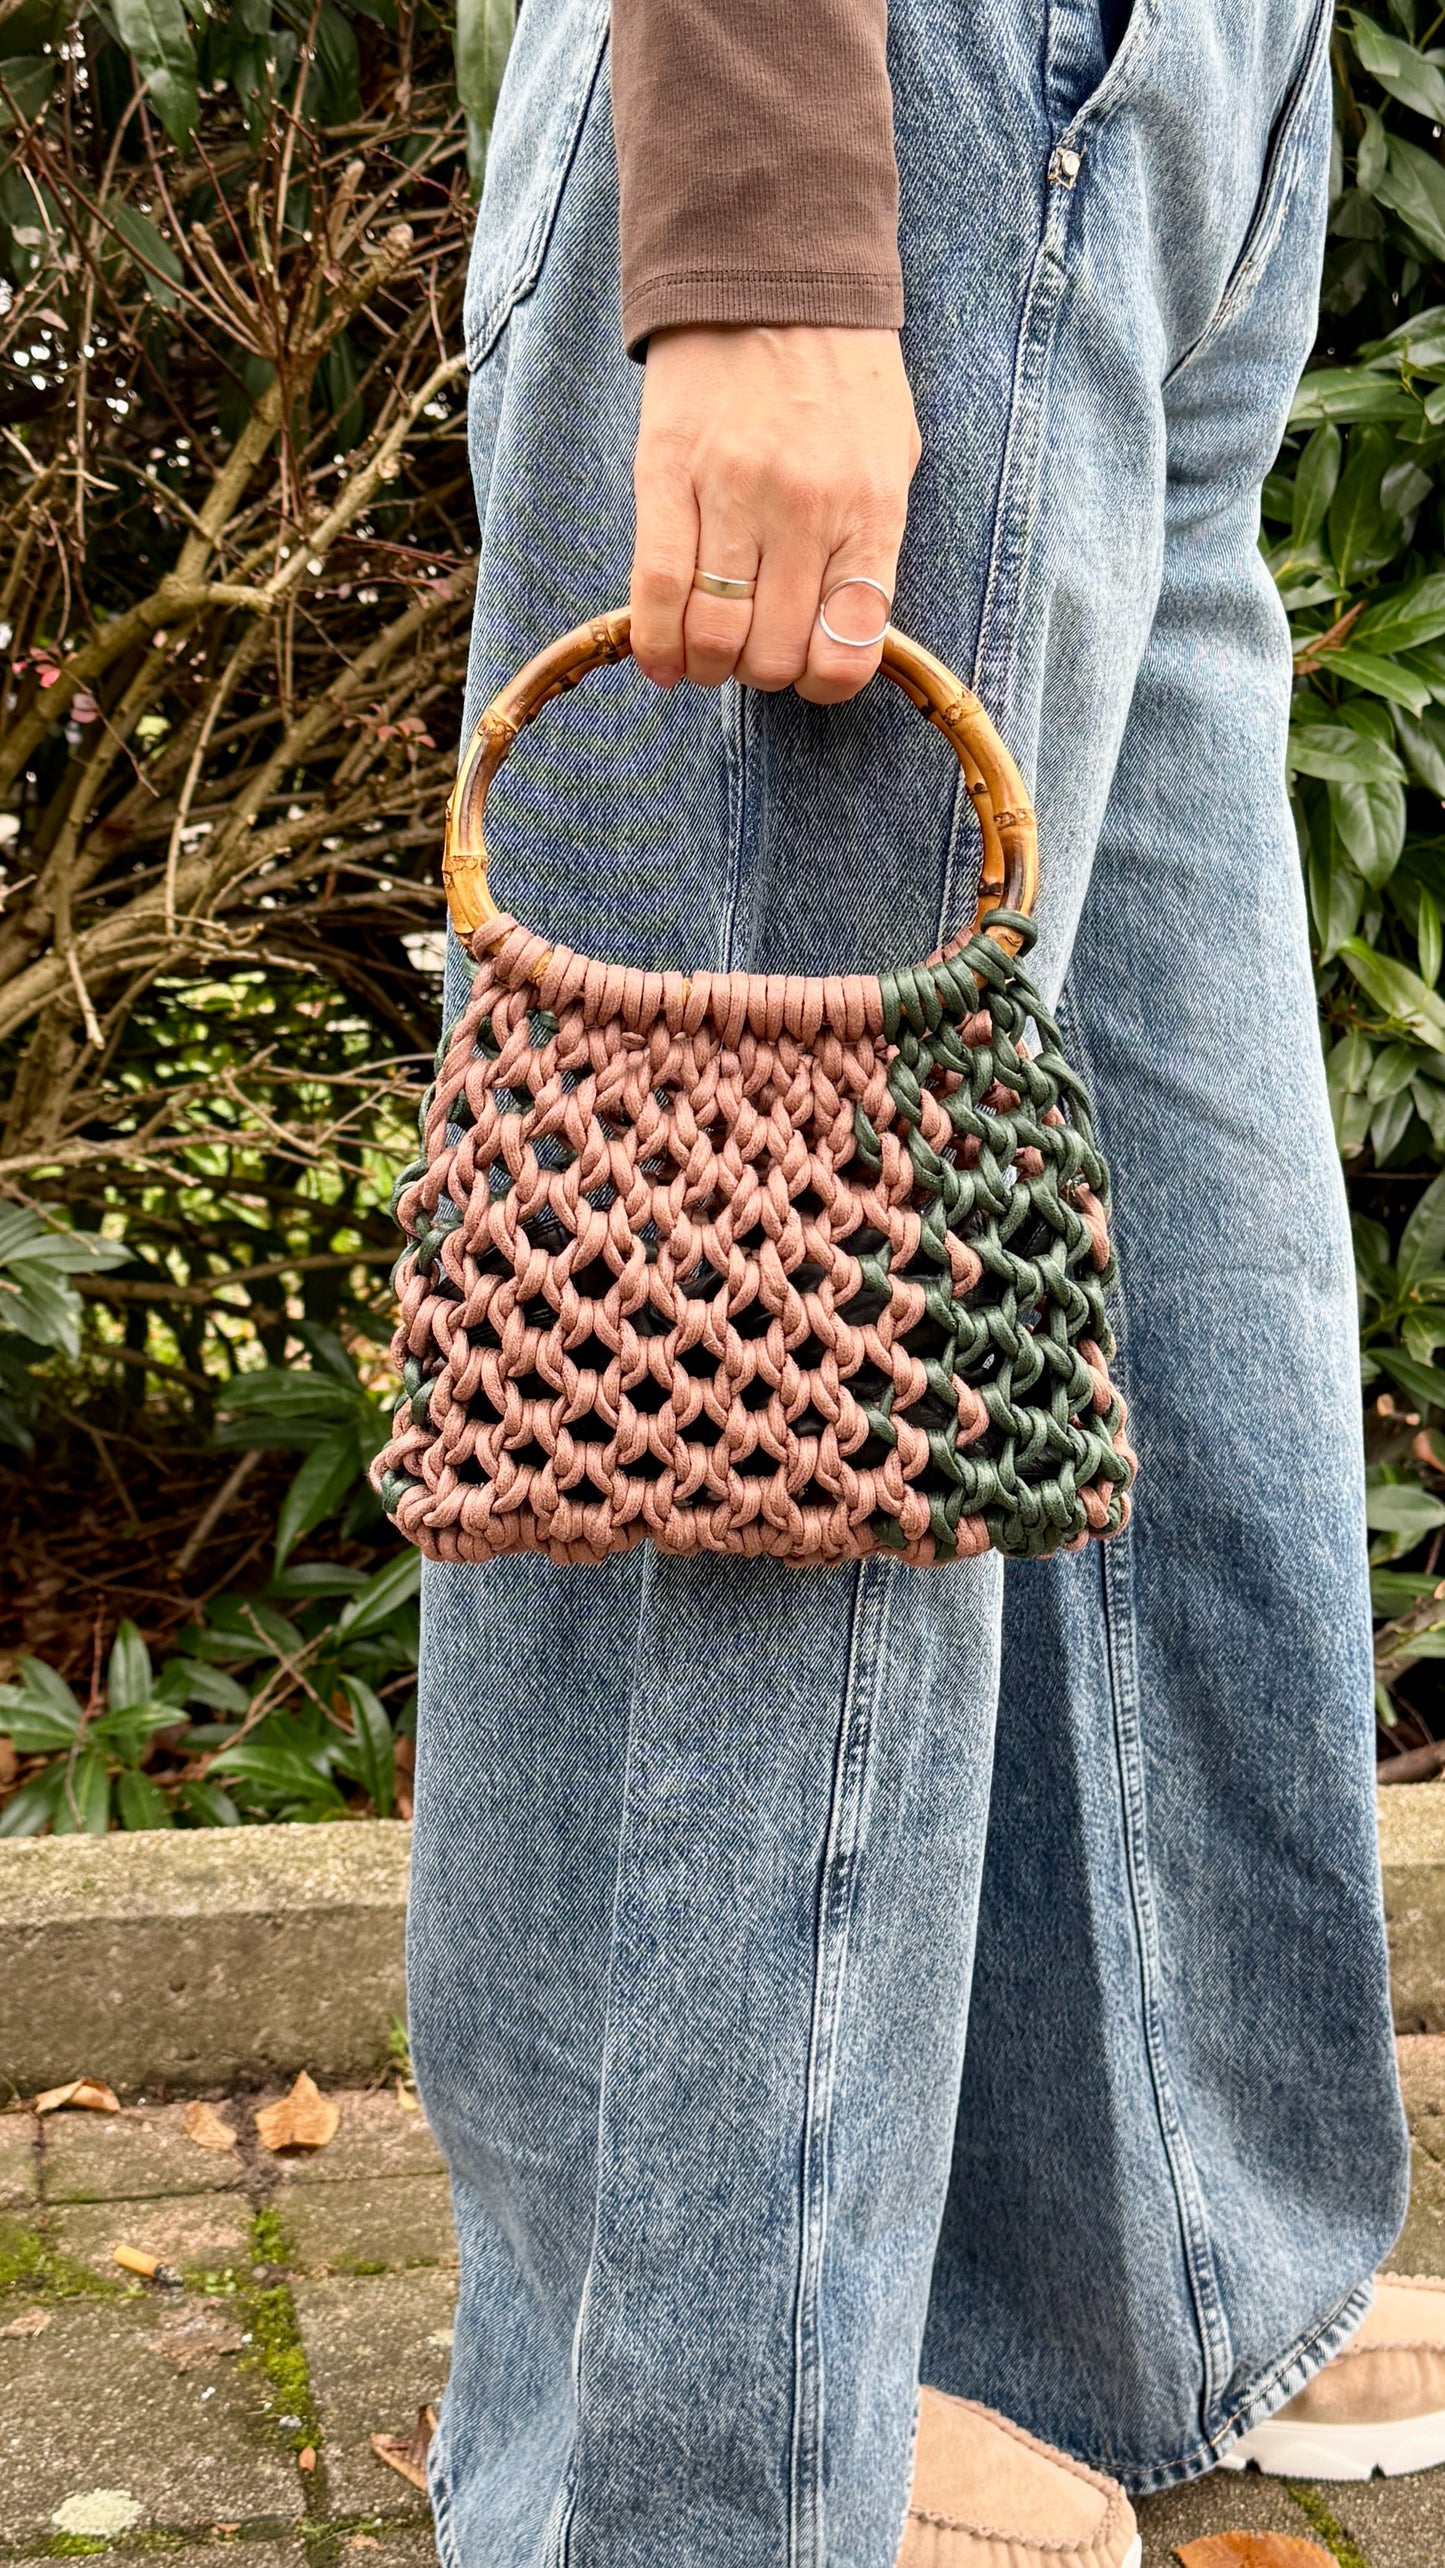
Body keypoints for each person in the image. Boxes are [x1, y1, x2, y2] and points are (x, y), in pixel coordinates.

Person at [403, 3, 1445, 2561]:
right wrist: (759, 197)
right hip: (888, 83)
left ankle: (1136, 2272)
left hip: (1198, 115)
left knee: (1164, 1277)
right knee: (742, 1354)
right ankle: (684, 2456)